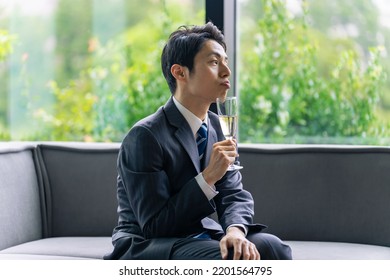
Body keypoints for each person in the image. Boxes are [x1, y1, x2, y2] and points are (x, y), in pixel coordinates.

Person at [105, 22, 292, 260]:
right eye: (214, 62)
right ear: (180, 72)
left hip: (199, 235)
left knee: (271, 247)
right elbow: (154, 225)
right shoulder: (144, 136)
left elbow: (233, 194)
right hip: (150, 244)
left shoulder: (218, 127)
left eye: (225, 61)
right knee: (230, 261)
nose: (226, 71)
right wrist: (208, 177)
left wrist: (235, 231)